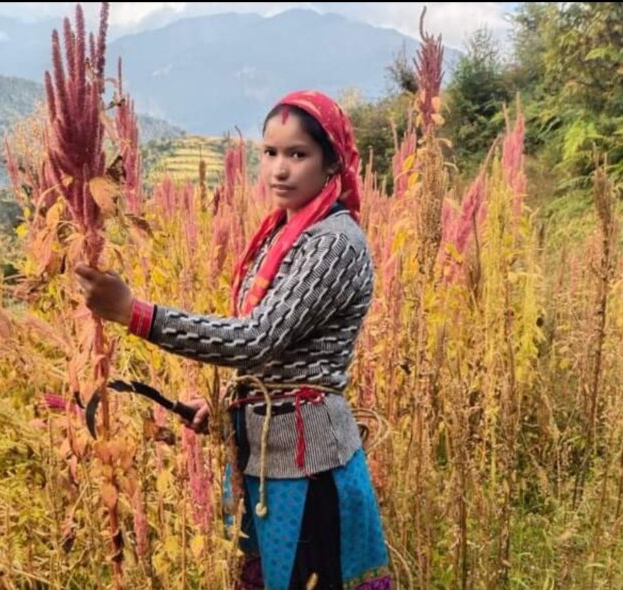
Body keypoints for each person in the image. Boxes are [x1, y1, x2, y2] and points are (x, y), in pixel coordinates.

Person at [76, 90, 392, 590]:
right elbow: (270, 359)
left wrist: (135, 314)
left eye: (298, 154)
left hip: (311, 470)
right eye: (270, 153)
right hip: (267, 458)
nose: (279, 170)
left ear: (331, 162)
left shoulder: (334, 242)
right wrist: (230, 408)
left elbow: (258, 339)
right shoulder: (281, 234)